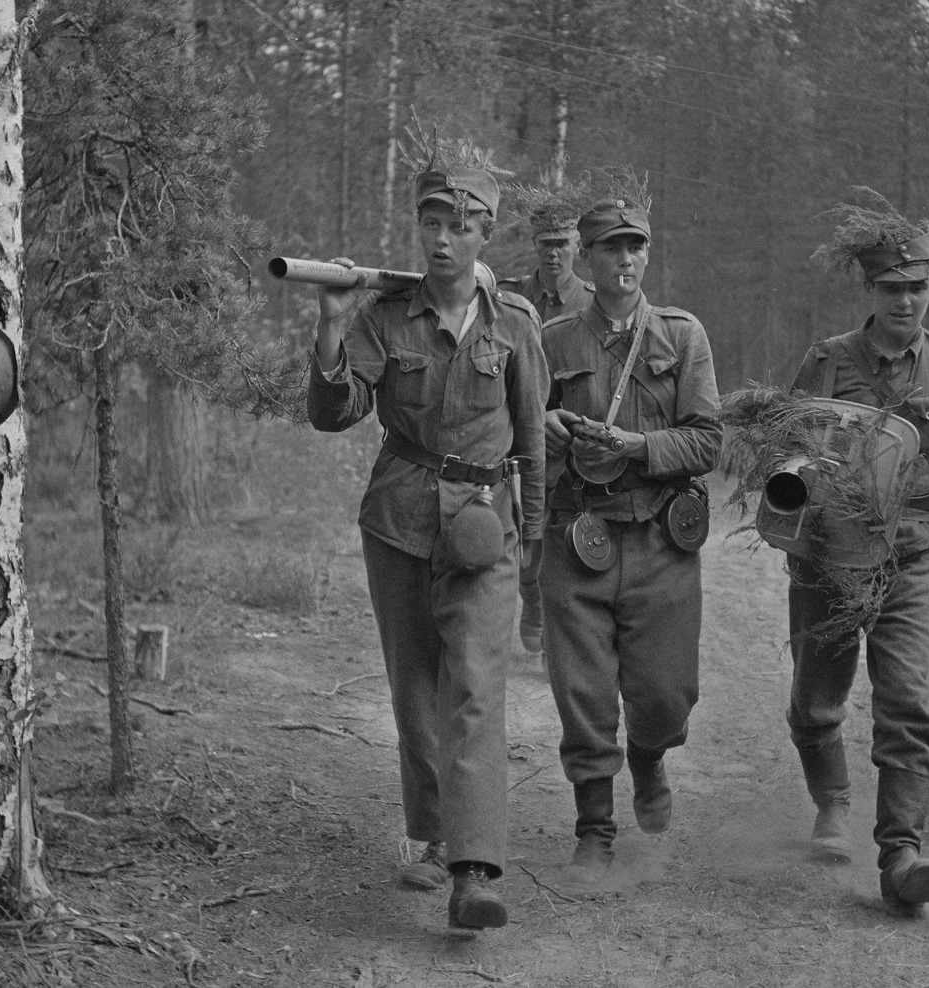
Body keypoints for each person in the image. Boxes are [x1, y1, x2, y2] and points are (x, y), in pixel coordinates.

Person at [307, 150, 547, 930]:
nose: (443, 241)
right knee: (417, 691)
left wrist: (533, 546)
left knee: (476, 689)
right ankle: (437, 836)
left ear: (486, 234)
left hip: (485, 526)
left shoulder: (514, 324)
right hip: (401, 521)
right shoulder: (384, 316)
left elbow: (535, 441)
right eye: (432, 224)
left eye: (462, 227)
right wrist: (331, 325)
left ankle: (475, 871)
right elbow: (334, 412)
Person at [788, 199, 929, 915]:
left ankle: (902, 854)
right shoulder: (827, 361)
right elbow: (785, 456)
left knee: (907, 701)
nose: (905, 300)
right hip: (829, 556)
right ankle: (831, 800)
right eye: (892, 289)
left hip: (915, 554)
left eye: (917, 288)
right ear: (870, 293)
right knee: (818, 698)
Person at [538, 193, 722, 880]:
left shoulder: (682, 335)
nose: (625, 258)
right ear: (586, 257)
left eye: (635, 245)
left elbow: (708, 440)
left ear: (648, 253)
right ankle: (594, 827)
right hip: (577, 534)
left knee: (666, 698)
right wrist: (547, 431)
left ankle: (648, 758)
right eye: (610, 247)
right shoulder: (551, 340)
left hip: (659, 539)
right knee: (583, 694)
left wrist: (637, 446)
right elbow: (519, 442)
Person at [499, 207, 595, 659]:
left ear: (577, 245)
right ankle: (532, 603)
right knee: (521, 532)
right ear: (534, 246)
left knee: (567, 534)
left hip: (571, 442)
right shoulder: (507, 297)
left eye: (562, 244)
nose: (553, 253)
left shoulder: (593, 304)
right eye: (545, 244)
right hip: (514, 437)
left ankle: (557, 622)